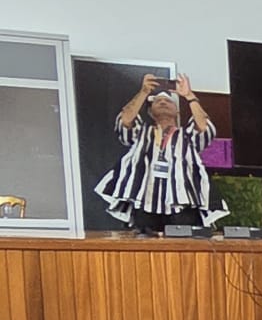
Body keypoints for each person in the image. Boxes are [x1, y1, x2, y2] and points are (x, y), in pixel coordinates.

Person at [97, 74, 228, 232]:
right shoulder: (141, 132)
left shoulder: (187, 135)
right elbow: (125, 120)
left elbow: (204, 127)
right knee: (144, 243)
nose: (163, 102)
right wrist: (144, 92)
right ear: (150, 112)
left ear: (177, 111)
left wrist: (189, 96)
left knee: (184, 241)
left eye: (168, 101)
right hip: (144, 199)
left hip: (183, 201)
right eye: (158, 101)